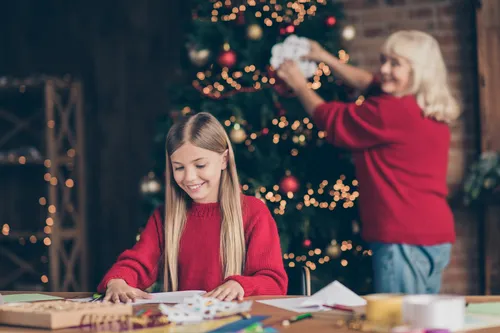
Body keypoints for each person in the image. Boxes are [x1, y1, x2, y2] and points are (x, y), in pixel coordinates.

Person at [276, 30, 459, 294]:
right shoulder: (425, 104)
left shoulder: (390, 111)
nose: (384, 69)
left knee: (400, 322)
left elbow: (334, 121)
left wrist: (299, 85)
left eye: (395, 63)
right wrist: (324, 57)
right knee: (420, 320)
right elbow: (371, 82)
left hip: (401, 238)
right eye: (383, 60)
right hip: (434, 233)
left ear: (418, 72)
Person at [97, 112, 287, 303]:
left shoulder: (254, 212)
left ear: (224, 159)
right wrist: (117, 281)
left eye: (200, 165)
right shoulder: (164, 217)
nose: (189, 177)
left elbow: (273, 282)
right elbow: (138, 263)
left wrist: (240, 286)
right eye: (179, 168)